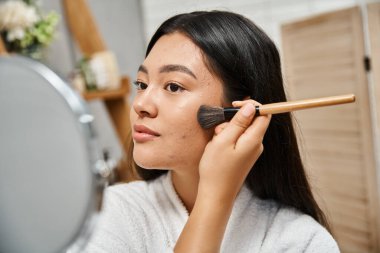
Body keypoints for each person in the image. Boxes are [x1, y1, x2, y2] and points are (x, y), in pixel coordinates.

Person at [84, 10, 339, 252]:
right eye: (142, 84)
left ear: (242, 112)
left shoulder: (302, 241)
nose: (140, 104)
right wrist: (214, 196)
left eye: (173, 87)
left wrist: (215, 194)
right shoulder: (112, 210)